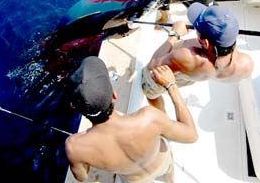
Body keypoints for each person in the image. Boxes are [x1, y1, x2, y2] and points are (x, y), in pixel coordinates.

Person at [65, 56, 198, 183]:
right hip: (162, 161)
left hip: (135, 180)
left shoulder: (74, 147)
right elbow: (191, 135)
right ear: (114, 95)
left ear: (75, 107)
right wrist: (172, 87)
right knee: (169, 175)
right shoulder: (150, 118)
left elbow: (82, 177)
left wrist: (85, 153)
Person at [142, 2, 254, 111]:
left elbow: (153, 65)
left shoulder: (187, 55)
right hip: (191, 77)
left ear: (205, 42)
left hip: (177, 71)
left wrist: (175, 34)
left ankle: (161, 114)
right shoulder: (246, 64)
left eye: (197, 28)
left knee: (151, 94)